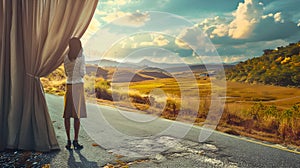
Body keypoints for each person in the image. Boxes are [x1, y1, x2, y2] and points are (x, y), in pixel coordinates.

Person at [63, 37, 87, 150]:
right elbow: (82, 73)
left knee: (67, 115)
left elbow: (66, 73)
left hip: (69, 85)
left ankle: (68, 141)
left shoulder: (65, 58)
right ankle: (76, 141)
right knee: (77, 116)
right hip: (78, 86)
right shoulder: (81, 57)